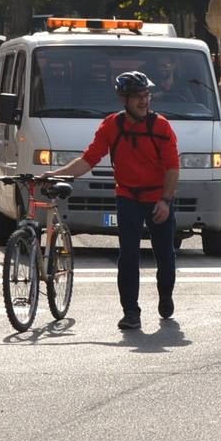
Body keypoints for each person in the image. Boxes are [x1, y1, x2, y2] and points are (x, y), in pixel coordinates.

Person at [56, 71, 180, 330]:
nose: (144, 101)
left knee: (165, 255)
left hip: (159, 197)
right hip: (128, 197)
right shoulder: (112, 126)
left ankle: (165, 295)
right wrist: (56, 174)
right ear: (124, 99)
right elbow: (88, 160)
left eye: (147, 95)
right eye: (138, 97)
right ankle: (131, 312)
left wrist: (166, 201)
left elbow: (172, 167)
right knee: (128, 255)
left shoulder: (161, 127)